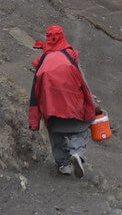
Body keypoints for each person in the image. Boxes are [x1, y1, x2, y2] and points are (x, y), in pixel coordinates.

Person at [28, 25, 96, 178]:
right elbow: (82, 82)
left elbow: (35, 91)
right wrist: (91, 105)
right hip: (74, 106)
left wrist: (34, 120)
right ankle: (77, 153)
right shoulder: (70, 56)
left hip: (51, 110)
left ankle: (64, 164)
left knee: (56, 135)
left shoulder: (43, 61)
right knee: (80, 131)